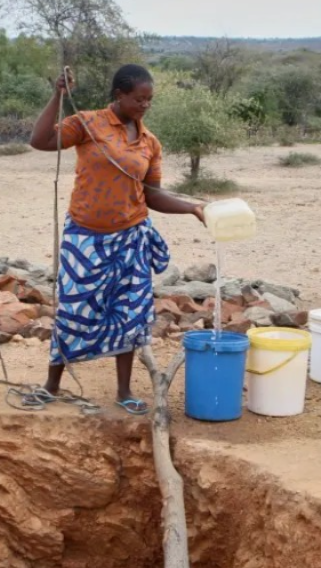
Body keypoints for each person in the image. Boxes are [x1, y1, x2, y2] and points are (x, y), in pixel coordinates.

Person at [29, 64, 204, 414]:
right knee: (74, 311)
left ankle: (124, 391)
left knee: (130, 313)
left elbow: (152, 195)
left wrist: (191, 208)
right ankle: (52, 384)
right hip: (84, 238)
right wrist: (57, 95)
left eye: (150, 100)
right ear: (119, 95)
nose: (145, 105)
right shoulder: (88, 124)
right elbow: (41, 141)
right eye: (139, 98)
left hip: (131, 238)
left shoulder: (149, 143)